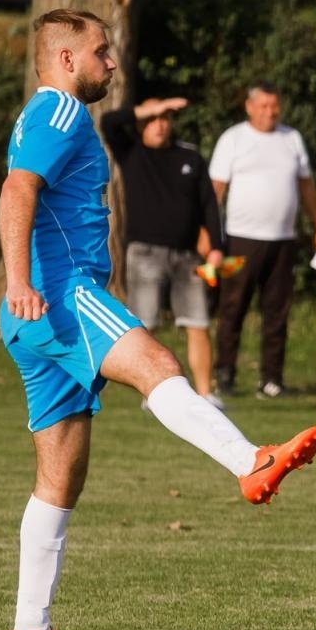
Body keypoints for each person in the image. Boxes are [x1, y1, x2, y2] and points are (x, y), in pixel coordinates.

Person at [0, 10, 316, 630]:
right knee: (158, 362)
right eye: (101, 52)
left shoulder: (46, 117)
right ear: (66, 61)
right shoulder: (60, 113)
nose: (112, 63)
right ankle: (250, 461)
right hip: (60, 294)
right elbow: (16, 191)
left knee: (60, 476)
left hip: (34, 314)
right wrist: (18, 279)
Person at [209, 82, 316, 398]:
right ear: (250, 107)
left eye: (274, 106)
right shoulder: (234, 139)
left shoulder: (291, 139)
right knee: (233, 307)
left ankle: (272, 379)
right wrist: (208, 233)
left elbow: (306, 186)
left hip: (283, 240)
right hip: (241, 239)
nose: (270, 112)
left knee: (277, 311)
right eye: (263, 105)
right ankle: (224, 373)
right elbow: (216, 191)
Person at [100, 96, 226, 405]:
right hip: (144, 254)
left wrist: (216, 248)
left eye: (166, 118)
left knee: (197, 323)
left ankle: (206, 394)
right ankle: (153, 392)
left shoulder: (190, 158)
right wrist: (148, 108)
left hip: (187, 256)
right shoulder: (131, 152)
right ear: (142, 122)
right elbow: (109, 122)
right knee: (146, 324)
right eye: (154, 119)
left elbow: (209, 204)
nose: (161, 124)